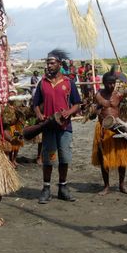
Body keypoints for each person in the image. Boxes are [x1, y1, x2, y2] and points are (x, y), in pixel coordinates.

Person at [33, 49, 81, 203]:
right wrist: (39, 115)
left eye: (52, 63)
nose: (49, 65)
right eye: (47, 63)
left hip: (65, 127)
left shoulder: (68, 83)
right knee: (48, 158)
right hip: (48, 127)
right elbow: (34, 104)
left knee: (64, 158)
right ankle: (46, 189)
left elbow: (78, 104)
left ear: (60, 64)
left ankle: (63, 188)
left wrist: (69, 112)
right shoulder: (43, 83)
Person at [91, 69, 127, 195]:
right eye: (109, 83)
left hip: (118, 128)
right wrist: (94, 112)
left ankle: (122, 185)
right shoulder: (98, 95)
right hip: (103, 128)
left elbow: (126, 111)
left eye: (113, 83)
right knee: (104, 158)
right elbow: (92, 115)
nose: (112, 85)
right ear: (104, 82)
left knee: (122, 156)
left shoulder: (119, 95)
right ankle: (106, 186)